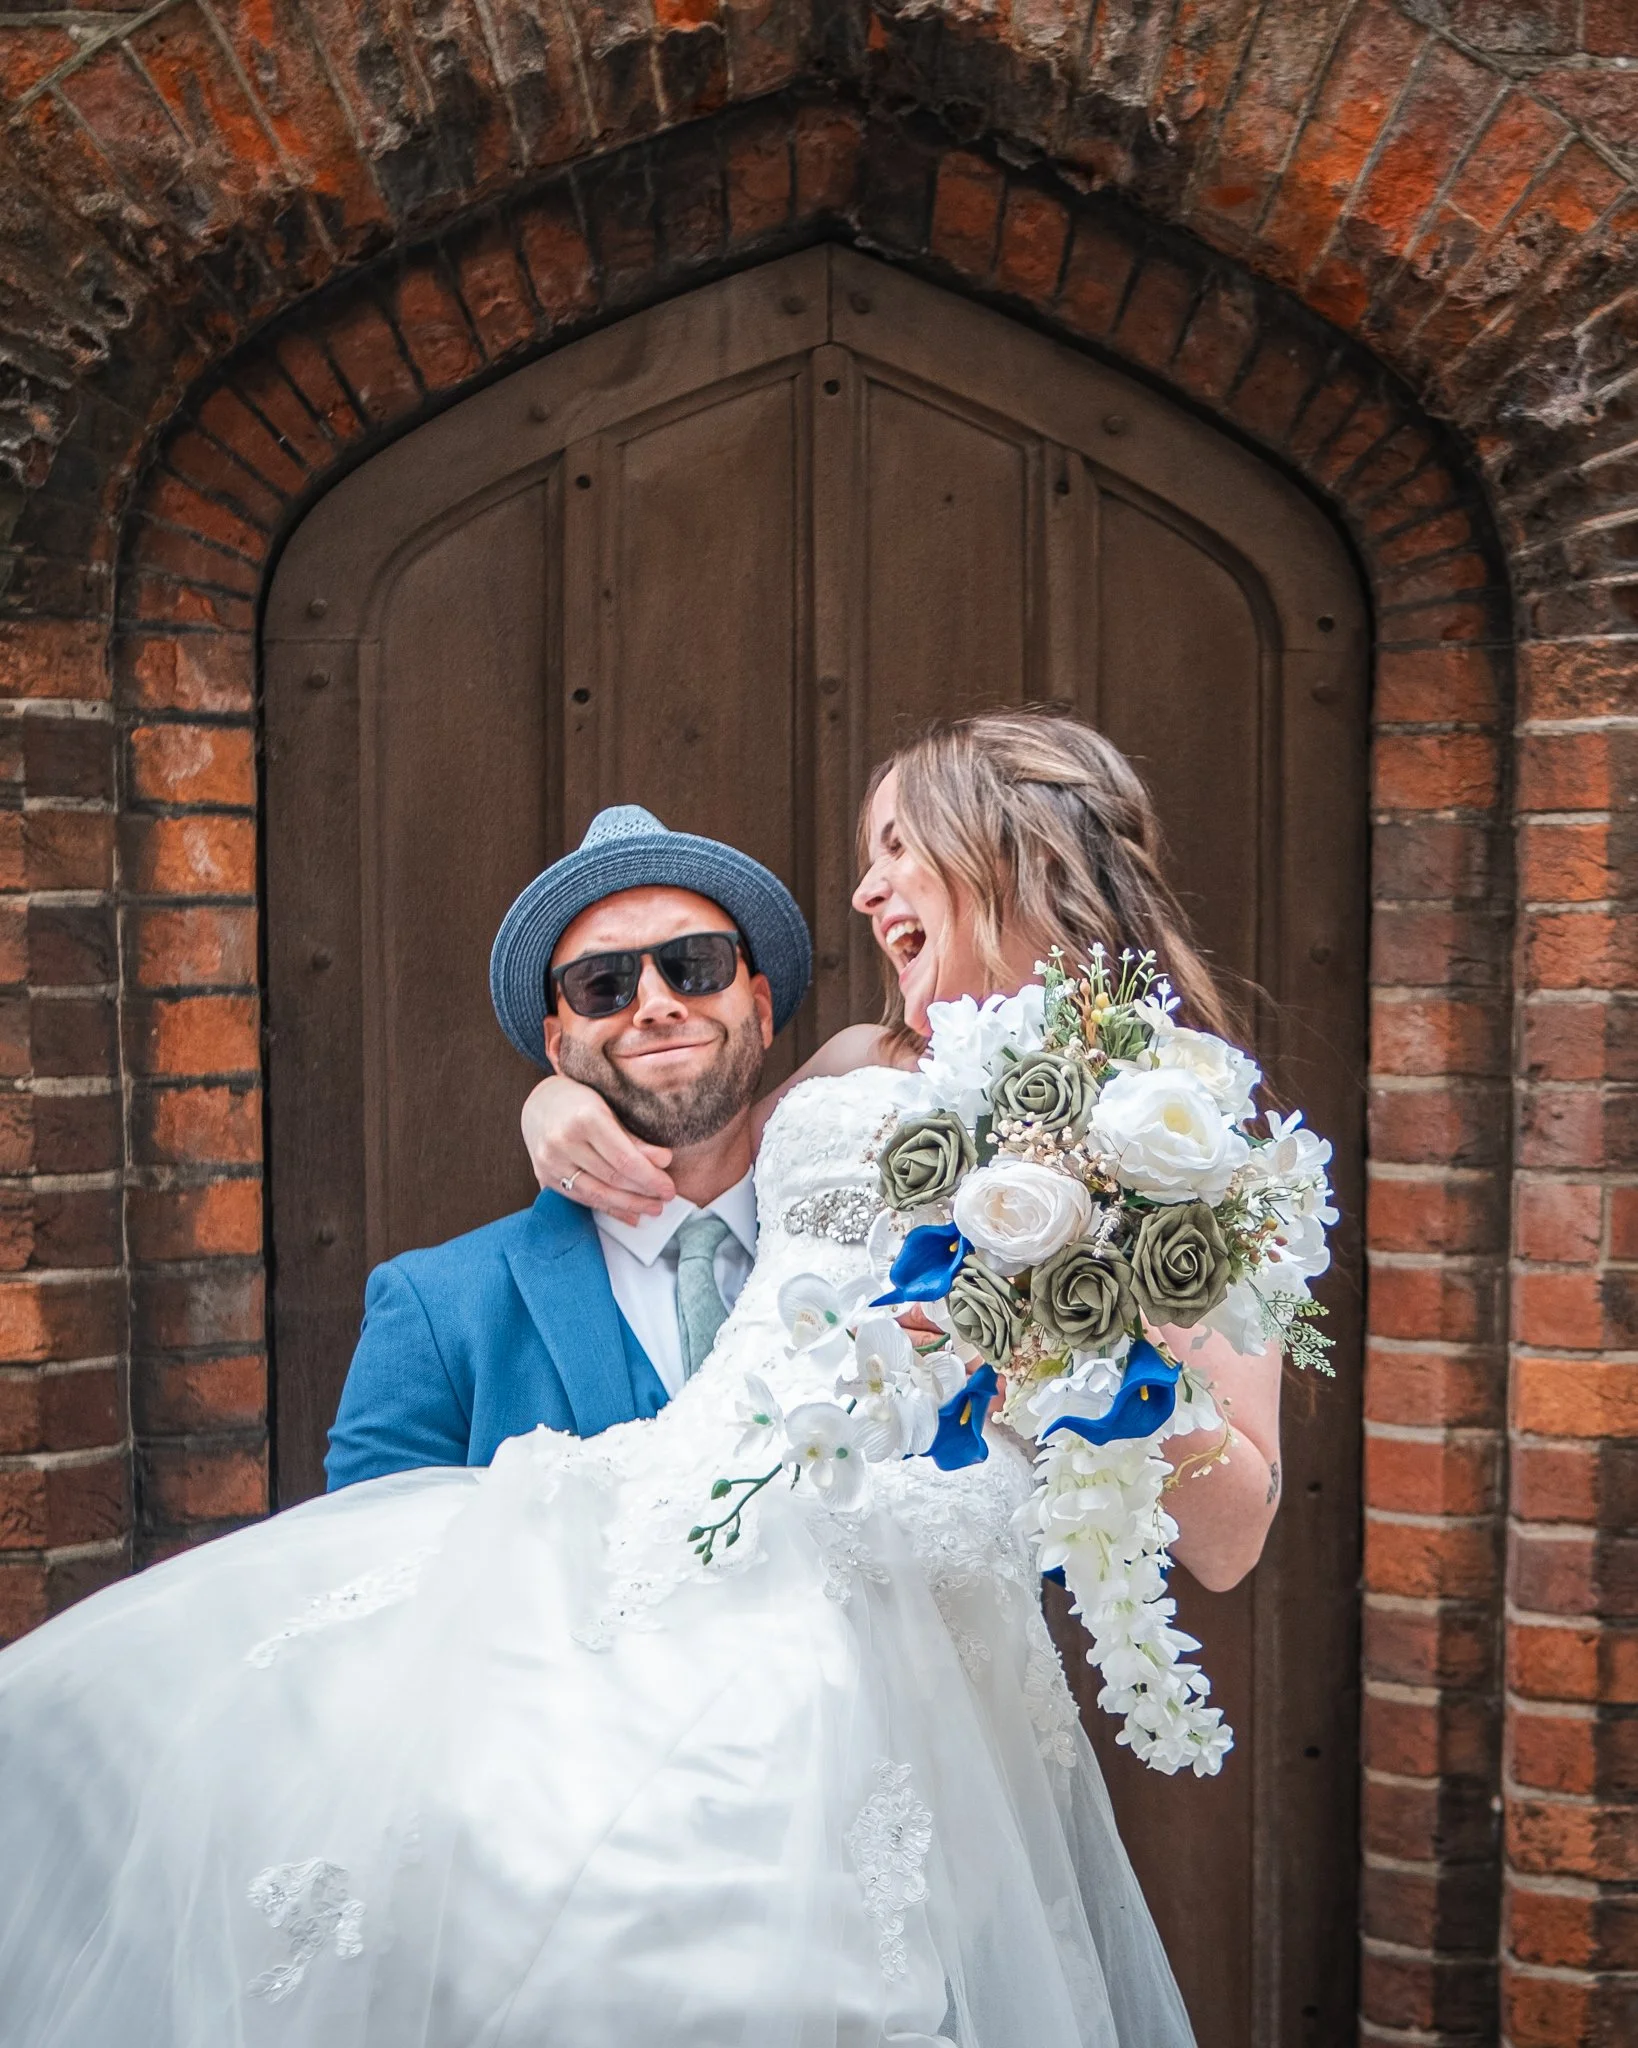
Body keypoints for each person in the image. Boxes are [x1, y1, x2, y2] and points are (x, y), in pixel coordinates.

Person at [0, 707, 1277, 2047]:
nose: (863, 887)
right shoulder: (856, 1066)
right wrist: (547, 1101)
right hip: (680, 1539)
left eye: (895, 845)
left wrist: (1049, 1343)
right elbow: (703, 1119)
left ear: (1000, 849)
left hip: (902, 1645)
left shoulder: (1185, 1129)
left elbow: (1233, 1533)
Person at [325, 802, 811, 1487]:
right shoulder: (435, 1309)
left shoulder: (886, 1261)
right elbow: (361, 1572)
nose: (656, 1003)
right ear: (558, 1044)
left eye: (695, 964)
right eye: (602, 984)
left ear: (759, 1010)